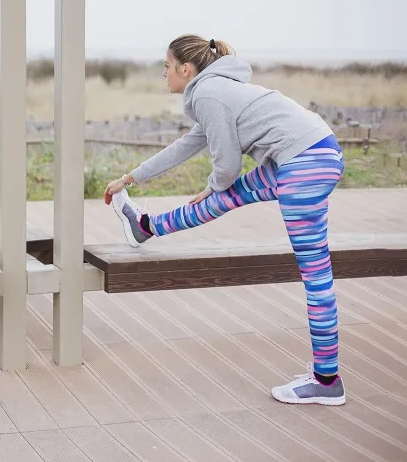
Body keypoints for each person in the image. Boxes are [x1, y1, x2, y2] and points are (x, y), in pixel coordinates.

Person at [104, 34, 346, 406]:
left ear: (186, 69)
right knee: (222, 196)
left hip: (304, 165)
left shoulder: (208, 95)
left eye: (166, 66)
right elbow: (185, 147)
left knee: (316, 273)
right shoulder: (214, 91)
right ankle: (144, 226)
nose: (162, 73)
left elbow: (228, 164)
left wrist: (215, 184)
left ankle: (327, 381)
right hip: (311, 155)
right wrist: (129, 179)